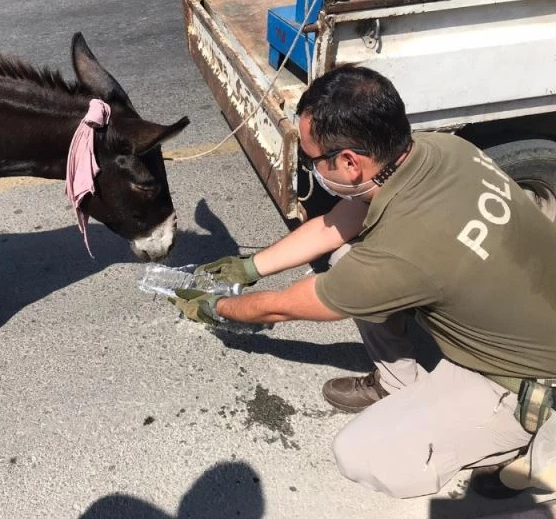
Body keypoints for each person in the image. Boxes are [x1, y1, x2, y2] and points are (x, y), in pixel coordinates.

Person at [169, 64, 556, 499]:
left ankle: (522, 435)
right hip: (531, 299)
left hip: (529, 377)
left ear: (351, 162)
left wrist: (217, 307)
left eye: (313, 158)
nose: (311, 166)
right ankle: (397, 381)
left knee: (361, 453)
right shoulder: (439, 150)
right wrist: (248, 268)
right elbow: (339, 222)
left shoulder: (401, 253)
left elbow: (283, 306)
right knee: (345, 254)